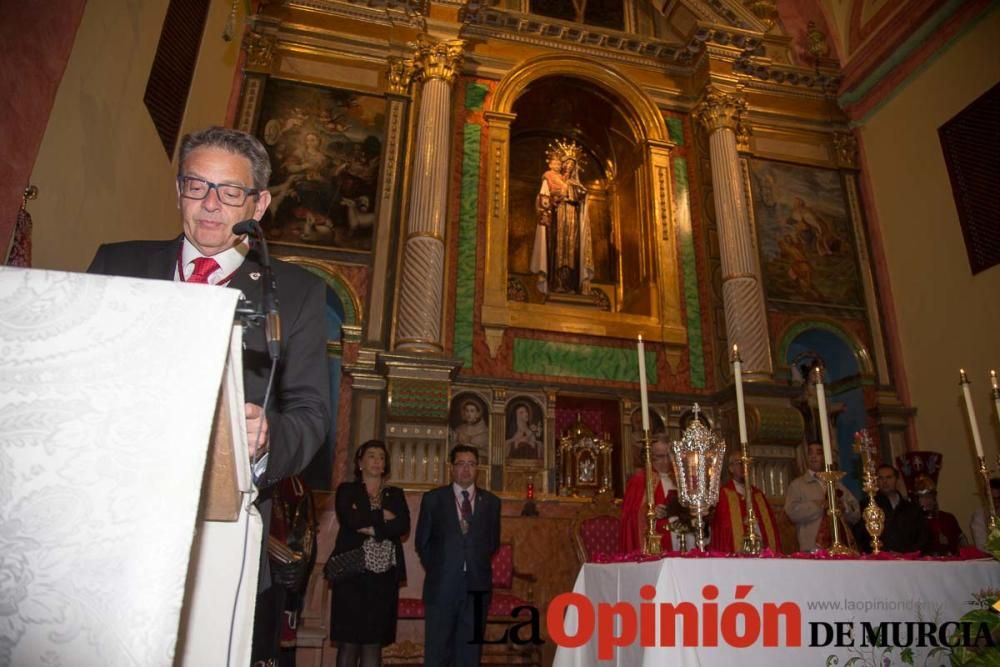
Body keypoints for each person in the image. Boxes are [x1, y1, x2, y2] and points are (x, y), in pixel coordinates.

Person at [87, 126, 331, 664]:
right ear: (178, 190)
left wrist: (268, 438)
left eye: (231, 192)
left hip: (220, 523)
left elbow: (311, 416)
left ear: (260, 203)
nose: (211, 206)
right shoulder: (117, 264)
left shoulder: (294, 294)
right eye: (196, 186)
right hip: (107, 515)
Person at [415, 445, 501, 667]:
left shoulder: (491, 502)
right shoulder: (433, 499)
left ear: (477, 469)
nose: (466, 469)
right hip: (442, 585)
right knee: (437, 652)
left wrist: (471, 563)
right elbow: (422, 542)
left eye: (471, 464)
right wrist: (441, 568)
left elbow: (492, 543)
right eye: (461, 463)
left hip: (477, 587)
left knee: (469, 654)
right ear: (451, 468)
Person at [330, 440, 410, 666]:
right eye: (372, 456)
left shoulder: (395, 494)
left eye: (382, 457)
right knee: (349, 642)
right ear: (360, 462)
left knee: (373, 642)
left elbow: (402, 526)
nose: (377, 461)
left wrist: (368, 524)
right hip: (351, 574)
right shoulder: (347, 490)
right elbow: (349, 519)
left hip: (383, 578)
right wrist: (383, 517)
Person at [530, 142, 593, 295]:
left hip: (573, 220)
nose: (569, 167)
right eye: (567, 164)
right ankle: (555, 282)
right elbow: (544, 199)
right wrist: (554, 200)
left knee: (571, 250)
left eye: (573, 165)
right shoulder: (551, 178)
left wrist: (577, 194)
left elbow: (582, 199)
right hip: (557, 217)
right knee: (558, 249)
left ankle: (570, 283)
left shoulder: (576, 184)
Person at [620, 436, 695, 553]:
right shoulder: (641, 480)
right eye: (660, 457)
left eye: (669, 456)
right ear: (649, 456)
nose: (666, 461)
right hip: (659, 541)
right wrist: (650, 512)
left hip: (684, 537)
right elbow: (630, 516)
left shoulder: (679, 478)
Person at [784, 442, 860, 552]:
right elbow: (791, 512)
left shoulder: (836, 484)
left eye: (818, 453)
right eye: (810, 453)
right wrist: (819, 505)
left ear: (826, 457)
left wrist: (844, 507)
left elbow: (856, 512)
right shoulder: (798, 485)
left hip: (841, 546)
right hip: (812, 547)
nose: (814, 457)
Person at [710, 452, 782, 553]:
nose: (743, 466)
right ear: (731, 468)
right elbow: (723, 529)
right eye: (739, 462)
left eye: (746, 463)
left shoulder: (758, 495)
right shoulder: (724, 494)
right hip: (737, 552)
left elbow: (770, 528)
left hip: (760, 549)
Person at [856, 465, 930, 554]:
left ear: (897, 479)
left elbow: (922, 537)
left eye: (889, 477)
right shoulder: (867, 506)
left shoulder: (911, 508)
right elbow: (860, 535)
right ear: (875, 481)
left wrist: (908, 554)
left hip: (908, 560)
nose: (885, 481)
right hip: (878, 559)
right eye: (880, 478)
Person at [912, 475, 965, 556]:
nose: (927, 501)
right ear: (917, 500)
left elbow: (962, 545)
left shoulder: (948, 518)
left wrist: (949, 543)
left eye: (929, 497)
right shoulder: (912, 522)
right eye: (922, 497)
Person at [970, 477, 1000, 550]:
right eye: (992, 499)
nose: (995, 503)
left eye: (999, 498)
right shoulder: (980, 515)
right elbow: (981, 545)